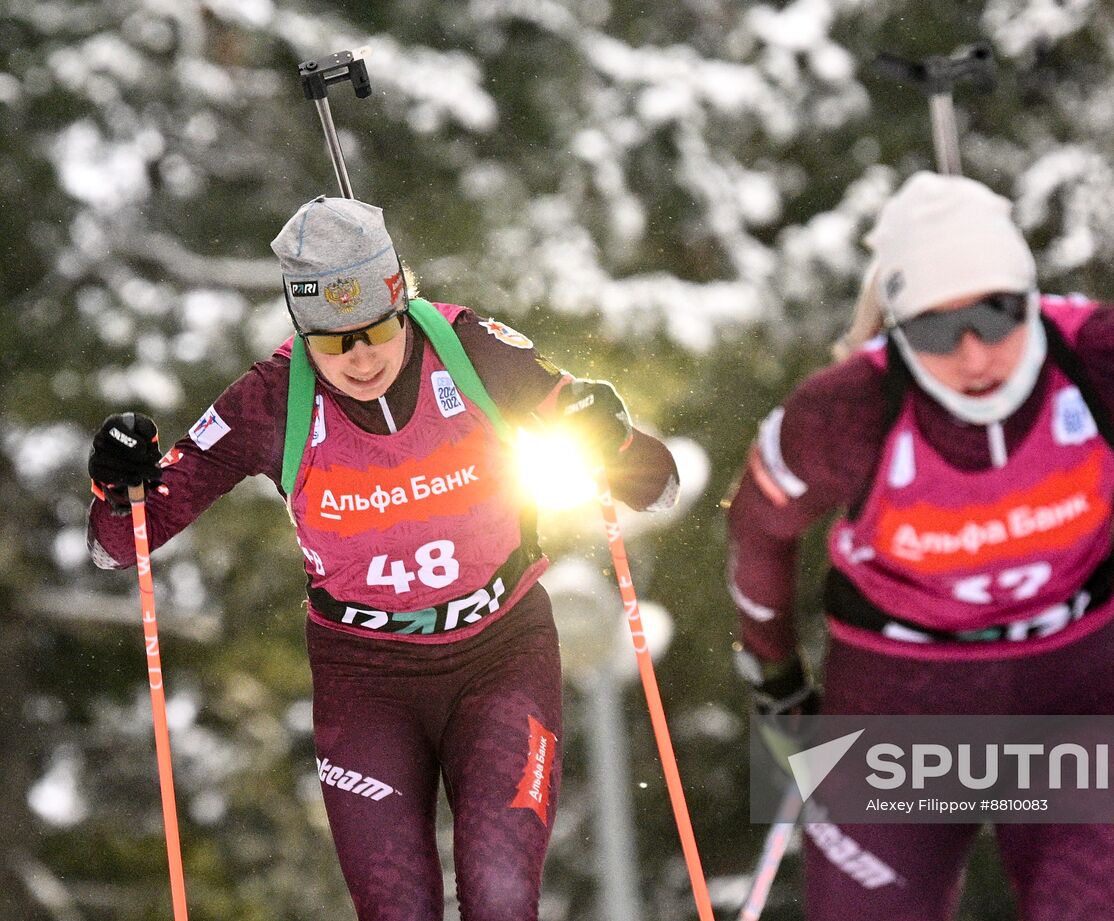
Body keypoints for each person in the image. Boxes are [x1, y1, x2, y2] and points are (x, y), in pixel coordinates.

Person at [725, 172, 1114, 920]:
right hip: (893, 706)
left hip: (1076, 693)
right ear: (897, 326)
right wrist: (775, 675)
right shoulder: (842, 413)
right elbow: (758, 526)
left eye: (997, 314)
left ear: (1031, 296)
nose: (974, 353)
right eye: (937, 329)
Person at [87, 196, 679, 921]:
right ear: (303, 332)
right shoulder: (271, 401)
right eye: (333, 343)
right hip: (364, 678)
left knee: (498, 896)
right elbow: (122, 543)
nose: (360, 358)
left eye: (374, 330)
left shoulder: (475, 351)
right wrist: (119, 484)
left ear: (402, 301)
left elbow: (658, 484)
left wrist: (610, 433)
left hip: (502, 655)